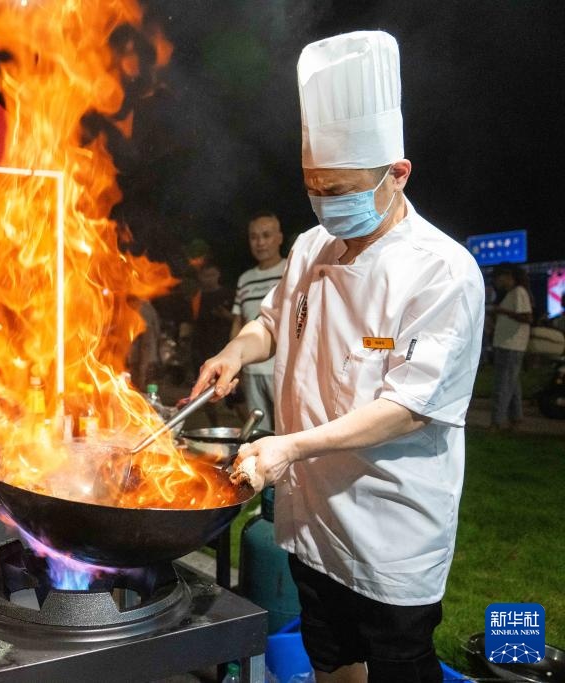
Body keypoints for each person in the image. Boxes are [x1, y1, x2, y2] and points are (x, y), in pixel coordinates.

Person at [192, 32, 484, 682]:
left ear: (397, 174)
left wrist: (289, 446)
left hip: (391, 526)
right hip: (314, 517)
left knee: (400, 666)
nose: (327, 203)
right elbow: (271, 326)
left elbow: (409, 409)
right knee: (332, 660)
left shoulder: (443, 272)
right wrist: (234, 351)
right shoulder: (309, 248)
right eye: (315, 188)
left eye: (343, 188)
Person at [230, 212, 286, 432]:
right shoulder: (245, 280)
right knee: (257, 430)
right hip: (252, 370)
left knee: (286, 428)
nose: (260, 242)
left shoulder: (291, 269)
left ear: (279, 238)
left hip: (282, 368)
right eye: (254, 237)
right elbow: (238, 322)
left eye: (266, 235)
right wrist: (234, 360)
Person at [488, 263, 532, 430]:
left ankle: (497, 422)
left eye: (497, 278)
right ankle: (516, 418)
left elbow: (527, 317)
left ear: (507, 276)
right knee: (512, 384)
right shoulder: (511, 294)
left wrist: (501, 311)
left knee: (503, 384)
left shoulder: (519, 292)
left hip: (511, 345)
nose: (496, 282)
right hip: (506, 344)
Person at [191, 265, 234, 426]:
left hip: (224, 348)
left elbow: (237, 320)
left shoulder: (227, 294)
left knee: (234, 393)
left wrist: (225, 315)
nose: (208, 278)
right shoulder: (198, 296)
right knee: (204, 389)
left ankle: (246, 427)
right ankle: (214, 426)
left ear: (218, 274)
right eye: (204, 275)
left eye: (211, 274)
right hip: (201, 348)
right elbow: (192, 320)